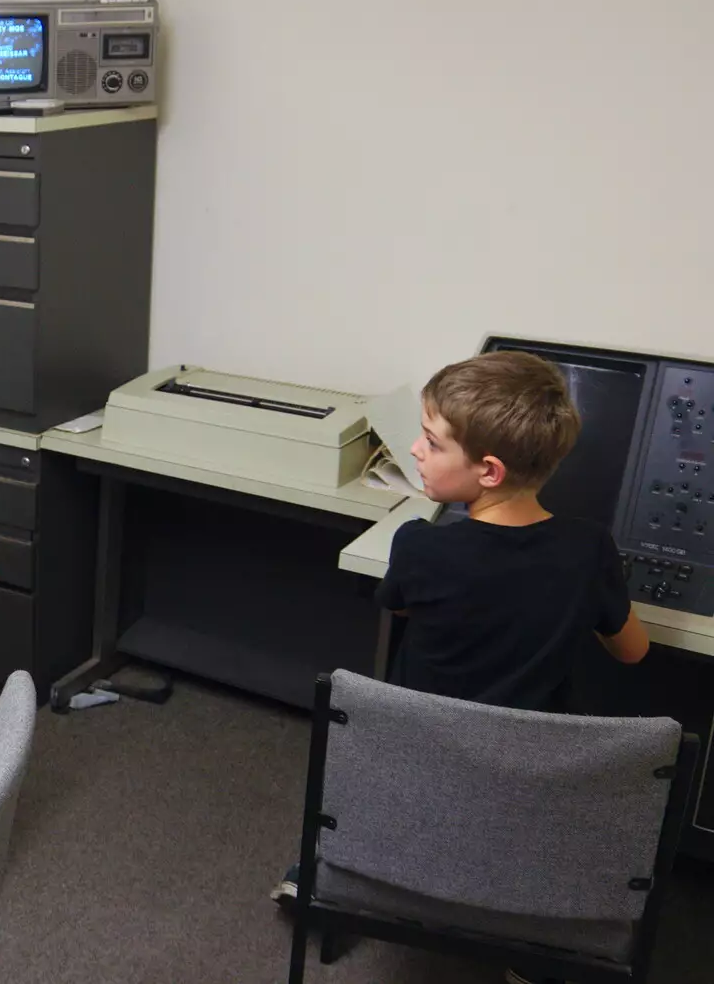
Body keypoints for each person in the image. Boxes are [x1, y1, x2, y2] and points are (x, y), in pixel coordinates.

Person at [270, 351, 651, 948]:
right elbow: (632, 651)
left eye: (430, 442)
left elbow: (397, 605)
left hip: (420, 765)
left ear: (489, 471)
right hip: (527, 779)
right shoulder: (589, 549)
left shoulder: (420, 547)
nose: (415, 452)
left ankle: (347, 884)